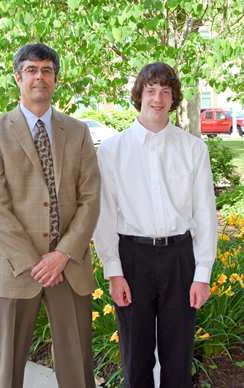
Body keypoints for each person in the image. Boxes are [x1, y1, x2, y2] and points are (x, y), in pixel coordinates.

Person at [0, 43, 100, 388]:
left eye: (46, 70)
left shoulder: (77, 132)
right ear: (18, 78)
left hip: (69, 266)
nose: (39, 77)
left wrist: (62, 254)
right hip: (16, 267)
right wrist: (35, 261)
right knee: (8, 372)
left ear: (56, 79)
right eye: (31, 70)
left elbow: (90, 198)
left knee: (78, 369)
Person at [93, 62, 217, 388]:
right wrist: (113, 270)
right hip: (132, 258)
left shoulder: (193, 149)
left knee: (178, 356)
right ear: (140, 95)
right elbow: (104, 215)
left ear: (174, 98)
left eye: (165, 91)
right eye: (151, 91)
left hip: (179, 257)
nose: (157, 99)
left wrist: (201, 274)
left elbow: (205, 215)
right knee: (137, 357)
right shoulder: (111, 151)